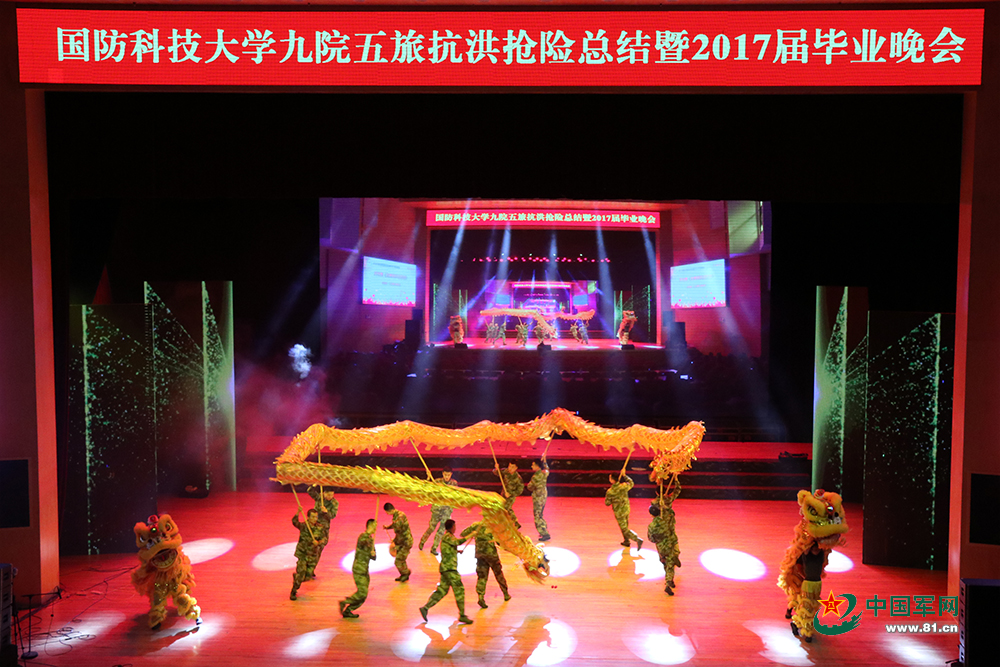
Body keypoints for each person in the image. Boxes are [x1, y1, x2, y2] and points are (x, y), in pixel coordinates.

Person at [419, 519, 474, 625]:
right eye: (454, 526)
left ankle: (425, 608)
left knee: (442, 591)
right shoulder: (448, 537)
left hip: (445, 569)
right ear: (452, 527)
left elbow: (448, 548)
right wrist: (471, 535)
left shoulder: (447, 537)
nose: (455, 528)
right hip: (450, 570)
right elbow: (458, 542)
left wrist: (456, 551)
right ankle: (462, 615)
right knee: (459, 590)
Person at [459, 521, 511, 609]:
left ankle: (480, 596)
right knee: (498, 574)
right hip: (492, 555)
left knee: (482, 577)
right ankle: (506, 594)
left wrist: (473, 533)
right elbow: (499, 542)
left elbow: (462, 534)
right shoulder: (493, 526)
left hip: (480, 555)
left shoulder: (476, 525)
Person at [646, 483, 682, 595]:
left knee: (665, 561)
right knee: (672, 556)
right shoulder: (667, 517)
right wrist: (676, 481)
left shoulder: (652, 525)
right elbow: (677, 492)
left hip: (661, 545)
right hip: (670, 538)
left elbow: (651, 539)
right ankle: (669, 580)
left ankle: (669, 577)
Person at [339, 518, 377, 618]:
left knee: (364, 595)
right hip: (359, 568)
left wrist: (373, 554)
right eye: (374, 526)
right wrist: (369, 537)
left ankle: (348, 610)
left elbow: (374, 557)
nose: (376, 528)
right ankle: (345, 602)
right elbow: (363, 542)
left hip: (364, 569)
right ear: (369, 526)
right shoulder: (363, 536)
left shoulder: (371, 539)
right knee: (362, 593)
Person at [290, 507, 329, 600]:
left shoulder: (320, 527)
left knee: (308, 576)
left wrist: (318, 543)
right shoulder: (304, 526)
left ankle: (297, 577)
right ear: (308, 517)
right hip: (303, 553)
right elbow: (294, 522)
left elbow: (325, 539)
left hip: (312, 554)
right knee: (301, 573)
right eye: (313, 517)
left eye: (316, 517)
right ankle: (293, 591)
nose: (315, 519)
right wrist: (298, 512)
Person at [419, 469, 459, 555]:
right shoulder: (437, 481)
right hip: (437, 510)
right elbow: (426, 488)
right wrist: (428, 478)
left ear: (451, 474)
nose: (447, 477)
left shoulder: (454, 483)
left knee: (441, 531)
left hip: (447, 511)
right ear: (443, 474)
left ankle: (434, 548)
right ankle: (422, 541)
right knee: (431, 528)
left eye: (448, 475)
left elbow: (456, 495)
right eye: (445, 475)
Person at [305, 484, 338, 578]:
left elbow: (333, 515)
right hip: (314, 526)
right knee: (311, 548)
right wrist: (315, 484)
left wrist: (326, 512)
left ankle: (311, 569)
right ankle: (306, 568)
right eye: (328, 495)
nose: (330, 497)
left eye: (331, 495)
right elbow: (309, 491)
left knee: (319, 549)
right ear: (324, 493)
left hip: (324, 528)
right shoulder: (319, 498)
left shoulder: (334, 502)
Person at [605, 473, 642, 550]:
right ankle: (626, 541)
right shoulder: (624, 486)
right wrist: (625, 476)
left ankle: (637, 539)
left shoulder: (610, 491)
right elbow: (631, 483)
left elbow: (607, 503)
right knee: (625, 526)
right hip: (626, 508)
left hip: (619, 511)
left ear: (612, 480)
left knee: (624, 528)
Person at [383, 502, 412, 582]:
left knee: (398, 561)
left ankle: (405, 573)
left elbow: (399, 531)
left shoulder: (399, 517)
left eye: (387, 512)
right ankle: (404, 574)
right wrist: (388, 527)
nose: (387, 514)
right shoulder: (398, 515)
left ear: (390, 510)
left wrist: (394, 541)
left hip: (405, 542)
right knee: (401, 559)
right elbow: (395, 524)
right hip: (403, 541)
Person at [526, 455, 552, 541]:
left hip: (538, 497)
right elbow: (547, 469)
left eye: (533, 465)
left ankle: (544, 533)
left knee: (537, 516)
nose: (531, 466)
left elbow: (530, 487)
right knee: (540, 514)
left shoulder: (535, 477)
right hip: (543, 495)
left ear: (537, 466)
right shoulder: (544, 473)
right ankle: (544, 530)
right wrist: (544, 462)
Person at [493, 461, 525, 528]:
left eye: (512, 467)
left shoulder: (518, 478)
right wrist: (496, 468)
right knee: (503, 508)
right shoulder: (506, 471)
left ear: (516, 468)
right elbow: (497, 473)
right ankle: (507, 523)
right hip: (503, 494)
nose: (510, 468)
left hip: (511, 496)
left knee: (506, 507)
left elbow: (520, 490)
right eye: (509, 466)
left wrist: (510, 494)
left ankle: (514, 522)